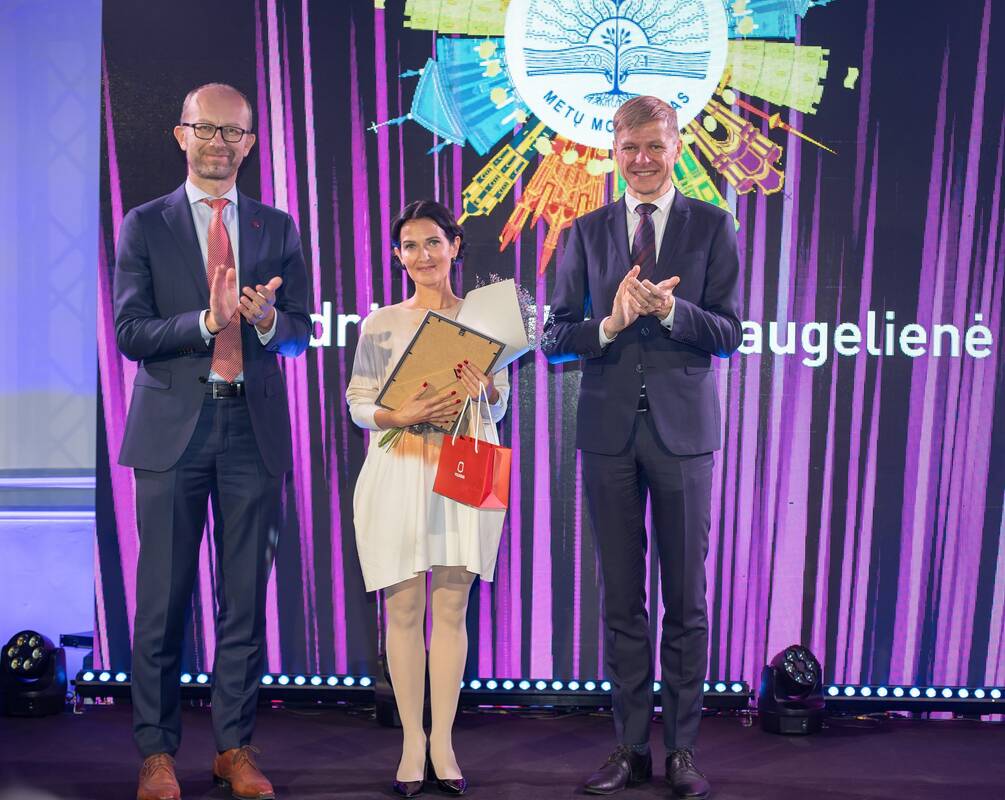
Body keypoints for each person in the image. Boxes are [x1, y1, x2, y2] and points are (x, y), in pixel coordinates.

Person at [114, 83, 311, 800]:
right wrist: (206, 320)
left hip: (251, 432)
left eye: (233, 132)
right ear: (181, 134)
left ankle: (233, 747)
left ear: (250, 144)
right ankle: (156, 752)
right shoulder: (145, 224)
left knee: (244, 602)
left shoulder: (276, 226)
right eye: (207, 129)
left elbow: (300, 333)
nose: (219, 143)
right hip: (172, 432)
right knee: (162, 602)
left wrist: (265, 322)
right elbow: (130, 332)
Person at [542, 95, 742, 800]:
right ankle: (629, 747)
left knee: (685, 600)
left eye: (655, 145)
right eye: (629, 147)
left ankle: (682, 750)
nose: (643, 159)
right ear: (613, 150)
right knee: (622, 601)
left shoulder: (712, 225)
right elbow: (554, 337)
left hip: (683, 439)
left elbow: (729, 333)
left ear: (676, 145)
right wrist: (610, 322)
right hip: (608, 438)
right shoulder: (584, 231)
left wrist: (672, 310)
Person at [347, 200, 510, 798]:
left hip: (468, 464)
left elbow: (499, 404)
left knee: (451, 608)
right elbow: (358, 403)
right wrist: (399, 414)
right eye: (410, 246)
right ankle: (412, 742)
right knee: (404, 610)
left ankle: (443, 741)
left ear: (454, 246)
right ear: (398, 256)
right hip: (399, 468)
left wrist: (486, 388)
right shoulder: (380, 323)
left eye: (433, 242)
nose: (423, 255)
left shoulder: (485, 319)